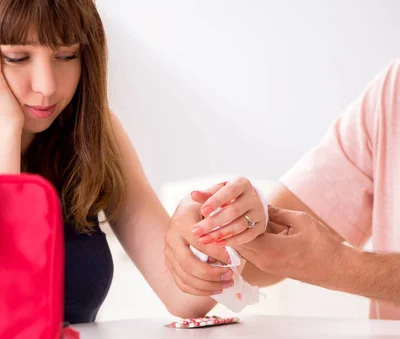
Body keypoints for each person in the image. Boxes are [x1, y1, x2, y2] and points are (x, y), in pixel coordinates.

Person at [0, 0, 266, 324]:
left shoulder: (96, 133)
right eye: (17, 56)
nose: (46, 85)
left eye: (66, 55)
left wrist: (197, 231)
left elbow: (183, 299)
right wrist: (1, 128)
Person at [165, 60, 400, 320]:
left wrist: (341, 266)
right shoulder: (392, 92)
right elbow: (273, 249)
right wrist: (219, 230)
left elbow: (303, 255)